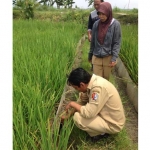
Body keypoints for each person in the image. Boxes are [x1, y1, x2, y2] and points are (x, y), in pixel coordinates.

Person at [61, 67, 125, 143]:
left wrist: (72, 104)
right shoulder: (92, 82)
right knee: (79, 110)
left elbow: (89, 113)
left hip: (113, 124)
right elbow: (82, 101)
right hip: (107, 116)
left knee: (77, 117)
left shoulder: (97, 88)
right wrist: (68, 115)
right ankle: (99, 129)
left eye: (76, 88)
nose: (77, 90)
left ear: (81, 84)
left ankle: (102, 134)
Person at [88, 2, 122, 80]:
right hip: (96, 56)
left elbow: (117, 42)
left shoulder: (115, 25)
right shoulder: (96, 24)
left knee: (106, 79)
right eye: (99, 14)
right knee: (97, 80)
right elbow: (93, 41)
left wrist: (114, 58)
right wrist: (90, 55)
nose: (101, 16)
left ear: (108, 12)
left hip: (108, 56)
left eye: (103, 14)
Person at [87, 0, 104, 71]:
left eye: (98, 4)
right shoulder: (92, 14)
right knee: (94, 51)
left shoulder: (107, 13)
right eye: (95, 4)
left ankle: (103, 66)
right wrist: (89, 35)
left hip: (104, 37)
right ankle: (94, 65)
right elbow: (89, 26)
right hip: (95, 37)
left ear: (102, 3)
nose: (96, 6)